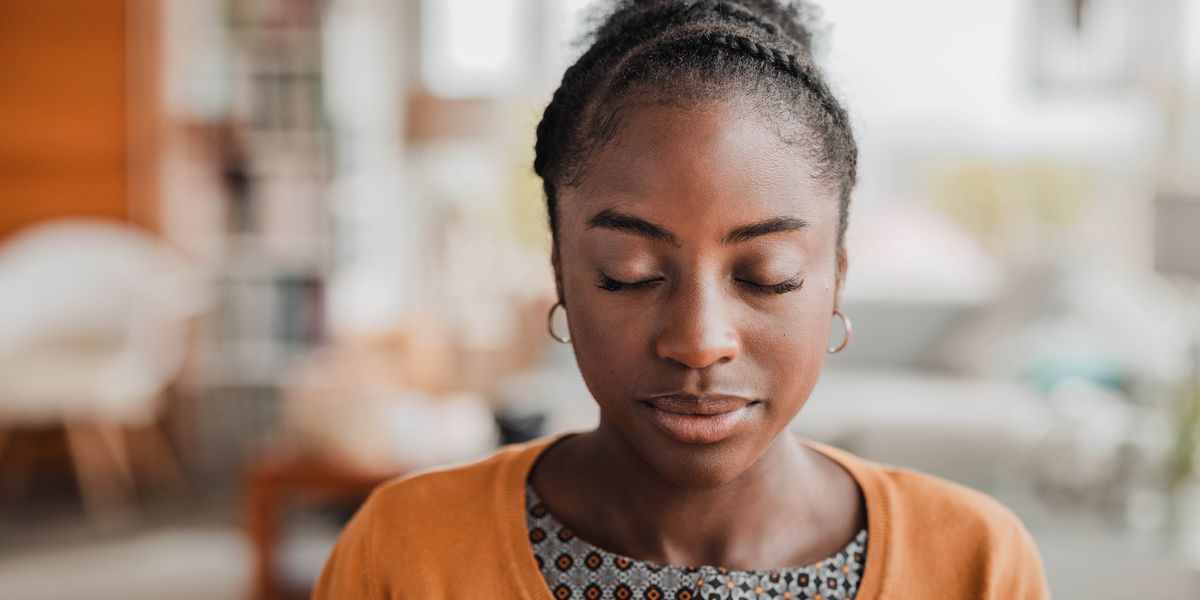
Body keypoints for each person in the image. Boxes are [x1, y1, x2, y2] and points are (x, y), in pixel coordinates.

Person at [313, 1, 1050, 598]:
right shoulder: (406, 552)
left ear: (836, 282)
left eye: (768, 274)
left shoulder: (974, 564)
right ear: (562, 271)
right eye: (628, 272)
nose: (699, 340)